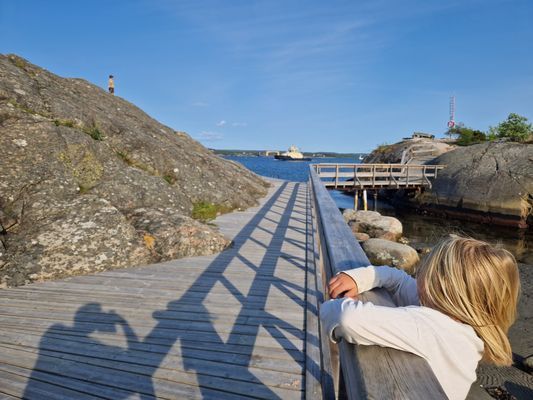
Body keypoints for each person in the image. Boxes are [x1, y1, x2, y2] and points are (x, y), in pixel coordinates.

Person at [320, 236, 520, 400]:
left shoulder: (431, 327)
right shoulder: (458, 324)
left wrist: (338, 302)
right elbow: (397, 278)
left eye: (425, 269)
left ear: (441, 286)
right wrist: (360, 279)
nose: (419, 272)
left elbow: (346, 318)